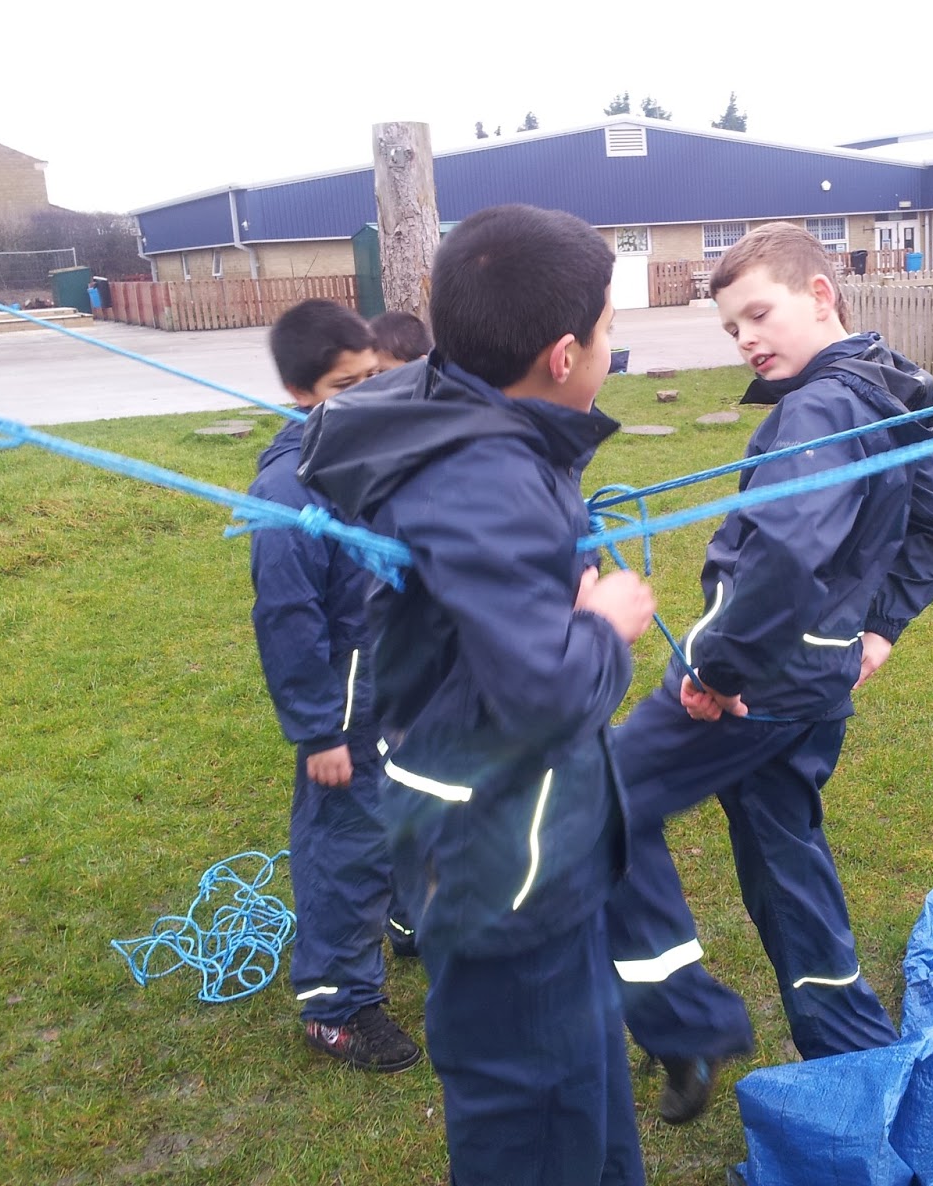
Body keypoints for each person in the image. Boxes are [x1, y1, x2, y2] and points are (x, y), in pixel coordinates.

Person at [296, 204, 655, 1186]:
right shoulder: (484, 473)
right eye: (608, 331)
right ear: (562, 354)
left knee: (582, 1091)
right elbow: (545, 692)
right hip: (501, 866)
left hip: (531, 843)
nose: (610, 348)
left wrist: (555, 592)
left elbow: (490, 621)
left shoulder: (477, 423)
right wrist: (605, 623)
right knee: (530, 1109)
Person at [605, 222, 933, 1124]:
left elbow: (783, 556)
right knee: (782, 851)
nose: (747, 339)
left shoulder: (819, 410)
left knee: (592, 798)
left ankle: (683, 1020)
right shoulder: (881, 390)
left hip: (754, 685)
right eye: (732, 328)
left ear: (820, 294)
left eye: (759, 314)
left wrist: (717, 670)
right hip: (814, 686)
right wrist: (877, 631)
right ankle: (852, 1055)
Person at [248, 299, 422, 1072]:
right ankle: (336, 1006)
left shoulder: (364, 457)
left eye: (374, 377)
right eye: (346, 385)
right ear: (300, 391)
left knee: (410, 812)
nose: (367, 395)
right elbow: (286, 619)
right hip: (344, 712)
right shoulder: (289, 494)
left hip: (398, 683)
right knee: (346, 847)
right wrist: (317, 730)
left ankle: (410, 923)